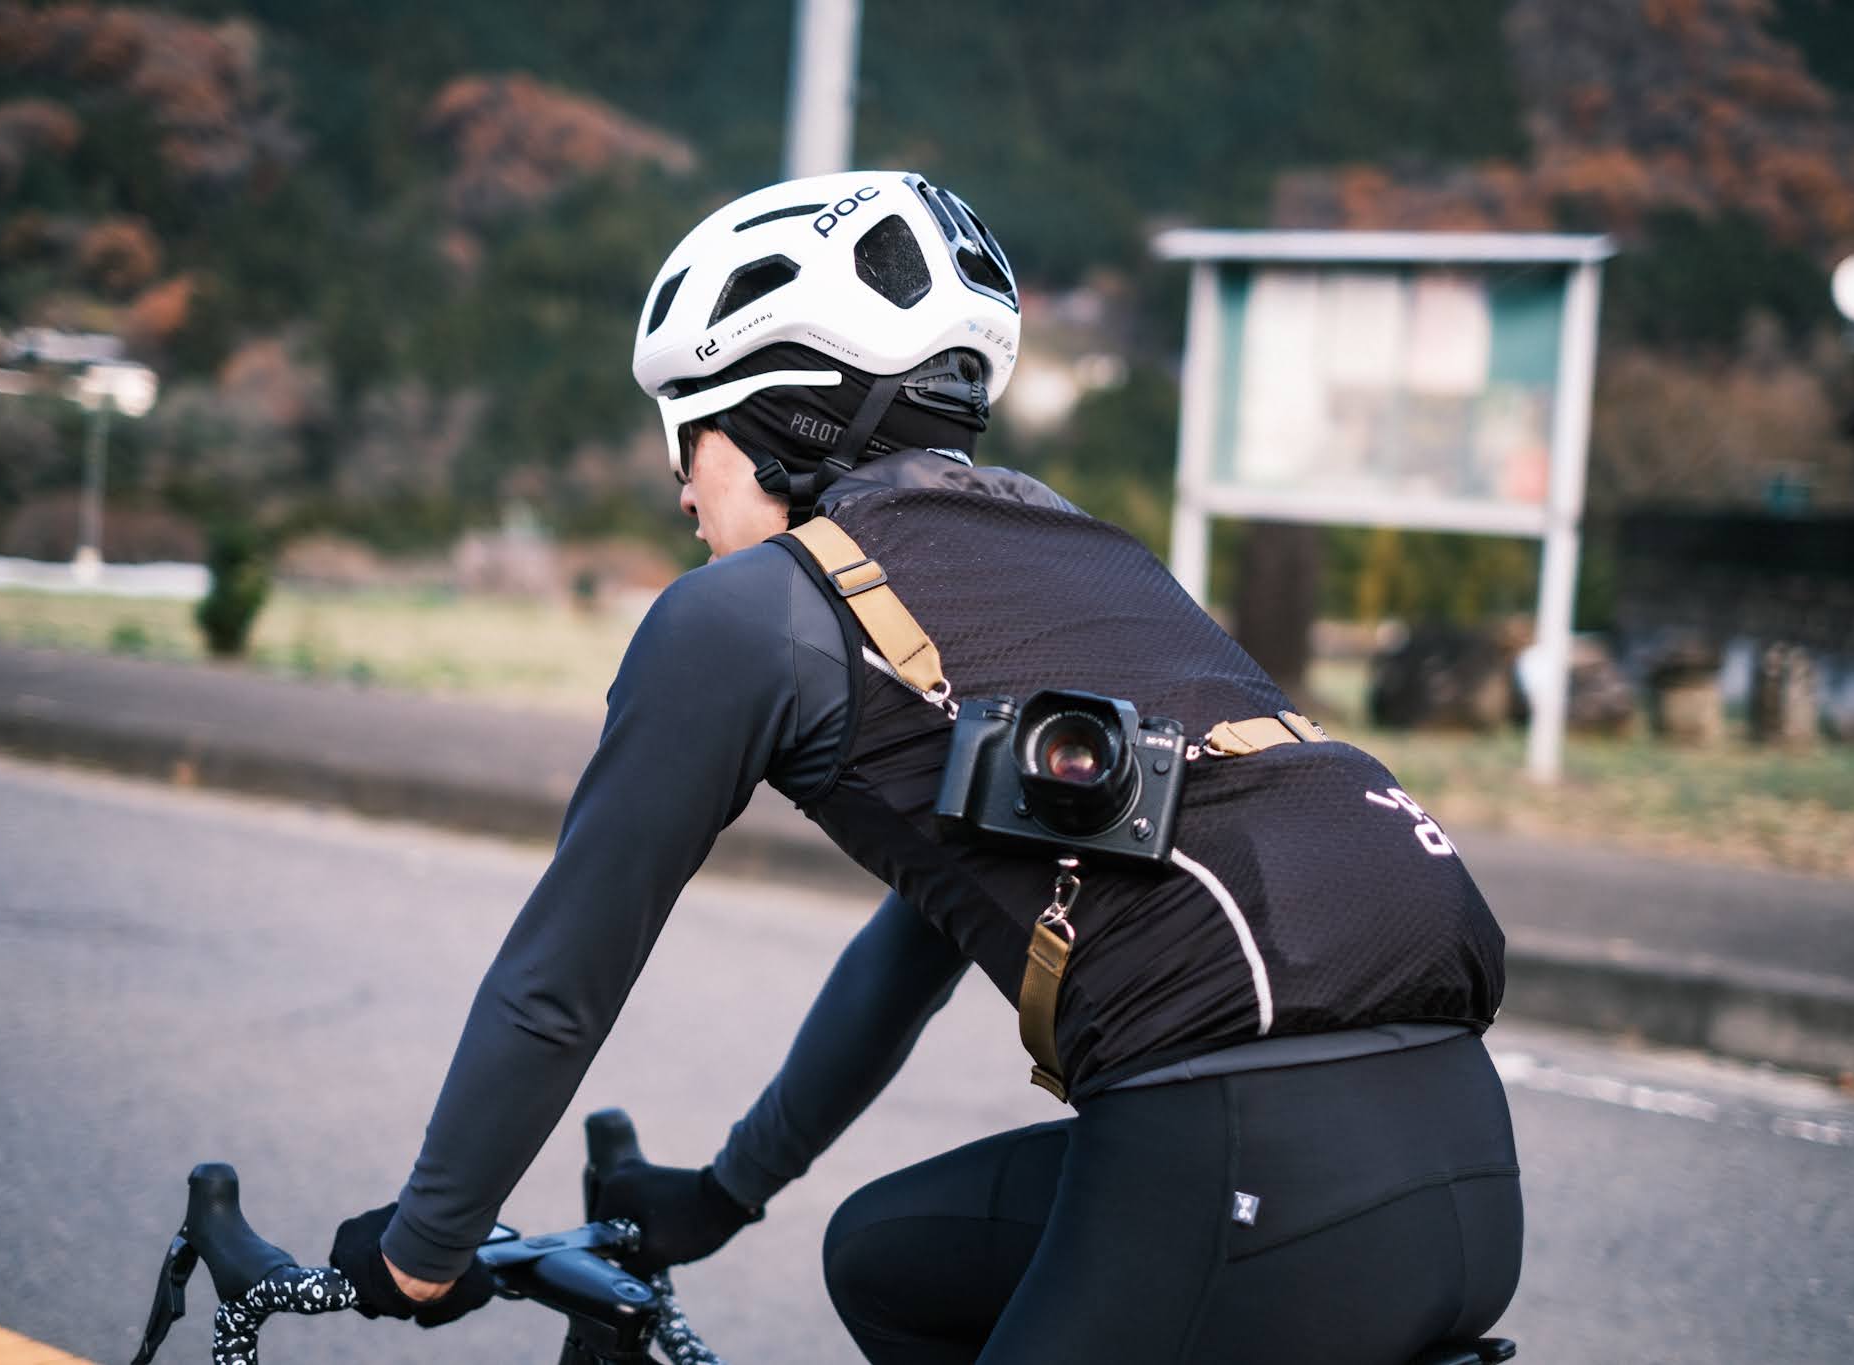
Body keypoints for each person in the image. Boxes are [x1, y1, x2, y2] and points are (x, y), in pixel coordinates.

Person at [327, 171, 1522, 1365]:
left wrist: (423, 1249)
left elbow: (561, 979)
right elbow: (921, 937)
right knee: (890, 1263)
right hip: (1462, 1159)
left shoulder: (741, 615)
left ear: (771, 422)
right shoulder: (1082, 554)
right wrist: (725, 1193)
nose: (681, 489)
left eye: (687, 431)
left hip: (1239, 1157)